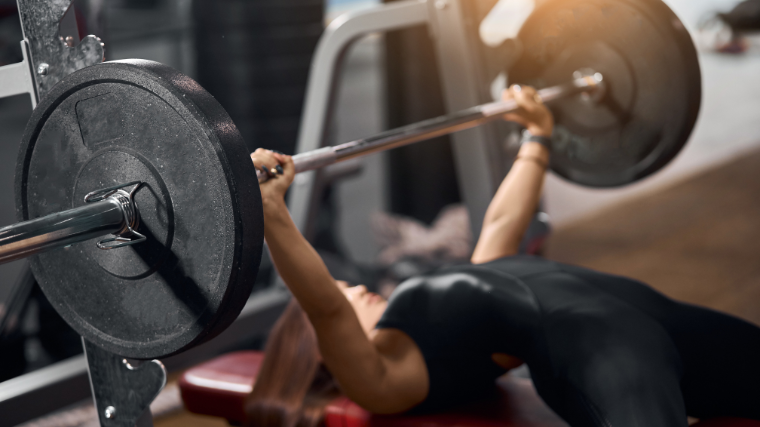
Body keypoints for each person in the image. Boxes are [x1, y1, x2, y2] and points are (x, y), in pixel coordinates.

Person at [245, 86, 760, 427]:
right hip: (603, 352)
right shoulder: (385, 378)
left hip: (664, 318)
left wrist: (537, 134)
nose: (352, 286)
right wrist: (272, 211)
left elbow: (500, 224)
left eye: (344, 284)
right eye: (343, 291)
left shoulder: (471, 287)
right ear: (323, 352)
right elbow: (323, 306)